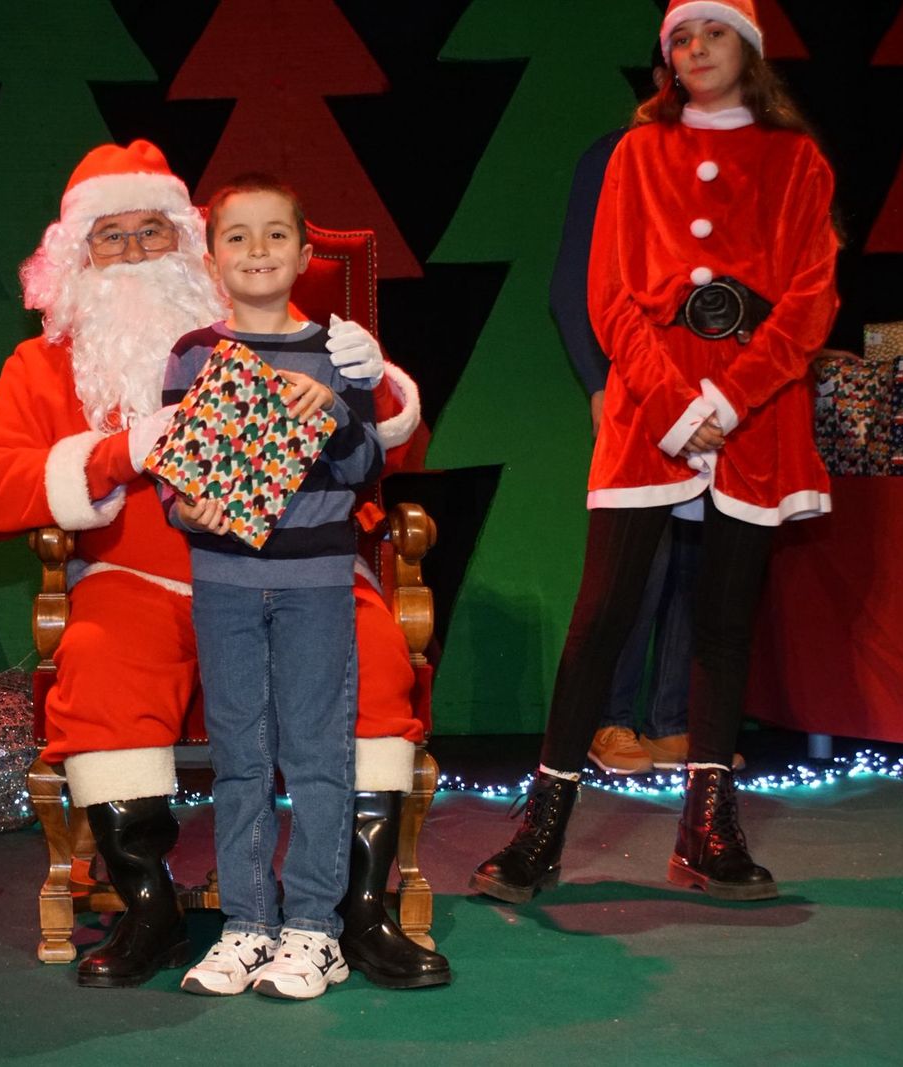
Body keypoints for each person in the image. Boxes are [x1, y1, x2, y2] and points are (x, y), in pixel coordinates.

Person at [0, 141, 448, 989]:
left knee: (371, 653)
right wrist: (117, 454)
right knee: (103, 664)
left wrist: (379, 389)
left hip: (301, 571)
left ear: (194, 247)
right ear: (74, 257)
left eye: (155, 232)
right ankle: (149, 909)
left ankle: (358, 913)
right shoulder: (43, 365)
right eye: (112, 237)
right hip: (135, 581)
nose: (138, 253)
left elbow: (395, 453)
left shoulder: (284, 334)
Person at [472, 0, 838, 905]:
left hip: (757, 416)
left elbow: (811, 298)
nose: (695, 48)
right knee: (602, 614)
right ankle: (541, 830)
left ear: (748, 48)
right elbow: (610, 294)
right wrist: (678, 405)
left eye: (713, 32)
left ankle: (708, 831)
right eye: (681, 35)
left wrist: (732, 396)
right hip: (650, 411)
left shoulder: (799, 161)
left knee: (721, 622)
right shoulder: (636, 154)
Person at [167, 177, 384, 1000]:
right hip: (223, 582)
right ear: (214, 254)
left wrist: (332, 407)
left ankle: (314, 931)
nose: (257, 252)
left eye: (275, 236)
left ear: (303, 251)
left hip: (315, 581)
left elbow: (367, 467)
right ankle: (247, 925)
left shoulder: (341, 352)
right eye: (237, 237)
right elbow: (176, 476)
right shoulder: (193, 354)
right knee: (239, 759)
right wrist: (185, 502)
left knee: (318, 755)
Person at [549, 52, 720, 777]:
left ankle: (672, 721)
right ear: (662, 76)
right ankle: (610, 719)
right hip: (639, 383)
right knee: (637, 557)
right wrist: (597, 382)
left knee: (702, 551)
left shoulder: (739, 166)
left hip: (716, 389)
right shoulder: (617, 157)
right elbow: (575, 283)